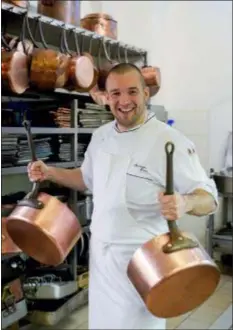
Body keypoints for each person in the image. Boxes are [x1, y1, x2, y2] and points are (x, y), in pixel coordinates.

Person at [28, 63, 218, 329]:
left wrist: (185, 202)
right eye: (115, 93)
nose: (124, 101)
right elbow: (85, 179)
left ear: (146, 94)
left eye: (132, 92)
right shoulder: (101, 136)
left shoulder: (168, 139)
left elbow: (209, 197)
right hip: (102, 264)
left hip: (144, 266)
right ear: (106, 97)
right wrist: (49, 172)